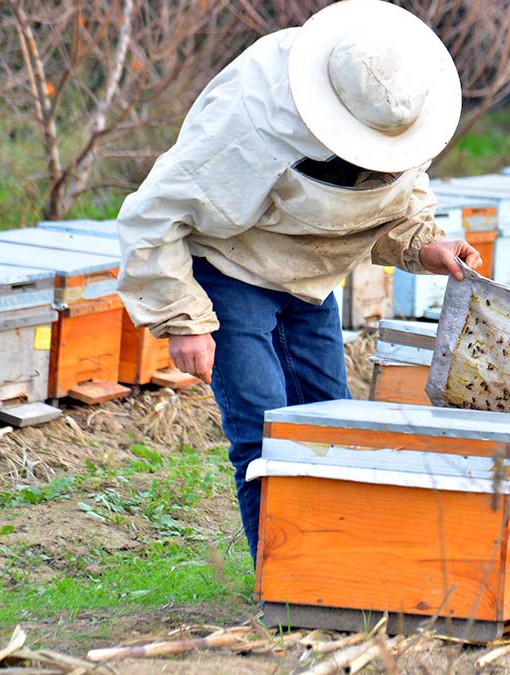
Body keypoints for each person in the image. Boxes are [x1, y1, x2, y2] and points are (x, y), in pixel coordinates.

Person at [115, 0, 481, 563]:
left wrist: (423, 245)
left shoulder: (395, 100)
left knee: (330, 420)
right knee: (264, 431)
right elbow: (151, 218)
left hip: (311, 282)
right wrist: (183, 320)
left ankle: (335, 569)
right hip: (231, 270)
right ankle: (284, 582)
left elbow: (388, 204)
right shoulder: (246, 124)